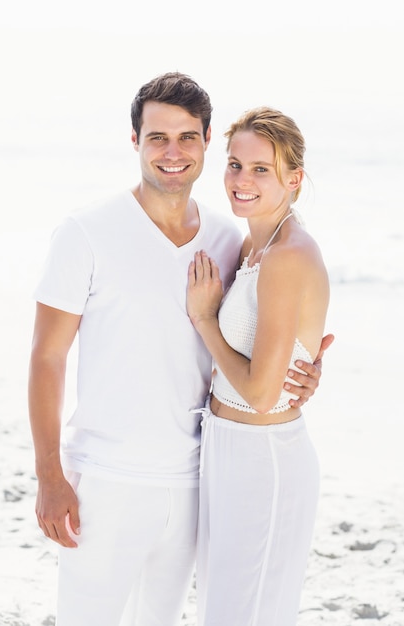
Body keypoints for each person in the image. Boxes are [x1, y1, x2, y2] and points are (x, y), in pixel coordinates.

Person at [28, 73, 332, 626]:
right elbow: (47, 357)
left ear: (206, 140)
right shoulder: (86, 232)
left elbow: (261, 333)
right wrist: (50, 475)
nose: (172, 152)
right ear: (134, 141)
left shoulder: (229, 236)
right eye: (157, 137)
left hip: (197, 478)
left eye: (187, 137)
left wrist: (304, 370)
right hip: (106, 480)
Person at [186, 105, 330, 626]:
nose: (241, 181)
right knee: (224, 610)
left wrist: (204, 319)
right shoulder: (255, 240)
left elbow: (263, 393)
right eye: (234, 164)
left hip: (264, 458)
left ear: (294, 178)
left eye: (260, 169)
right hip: (227, 448)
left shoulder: (288, 255)